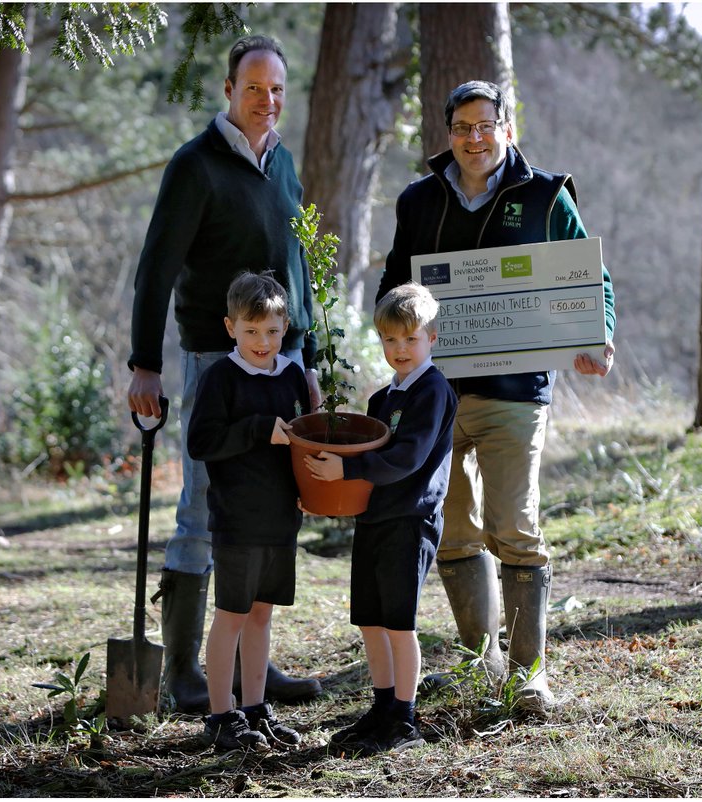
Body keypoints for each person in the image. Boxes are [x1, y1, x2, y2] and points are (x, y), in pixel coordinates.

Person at [375, 80, 616, 714]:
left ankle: (529, 672)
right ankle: (478, 661)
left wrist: (598, 336)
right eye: (461, 127)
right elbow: (393, 283)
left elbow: (593, 280)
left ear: (507, 128)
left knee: (515, 525)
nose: (473, 138)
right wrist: (391, 334)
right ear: (447, 133)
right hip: (437, 394)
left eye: (486, 125)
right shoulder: (419, 201)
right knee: (454, 530)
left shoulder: (544, 196)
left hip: (517, 391)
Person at [127, 34, 322, 713]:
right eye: (253, 88)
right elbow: (155, 267)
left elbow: (300, 269)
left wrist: (311, 358)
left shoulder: (283, 164)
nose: (266, 101)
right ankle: (182, 672)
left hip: (285, 362)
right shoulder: (196, 166)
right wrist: (145, 365)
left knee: (265, 512)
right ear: (228, 92)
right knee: (203, 513)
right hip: (218, 361)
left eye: (276, 90)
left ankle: (249, 671)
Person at [303, 282, 457, 754]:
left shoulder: (433, 391)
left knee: (398, 623)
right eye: (390, 340)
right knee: (370, 620)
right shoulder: (380, 400)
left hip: (410, 521)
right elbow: (366, 463)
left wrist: (346, 467)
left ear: (432, 337)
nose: (400, 349)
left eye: (411, 339)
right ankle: (383, 706)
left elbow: (408, 457)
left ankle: (405, 719)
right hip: (374, 519)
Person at [187, 271, 312, 751]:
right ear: (230, 327)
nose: (263, 341)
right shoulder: (220, 377)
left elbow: (299, 443)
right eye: (251, 330)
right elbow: (202, 443)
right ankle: (221, 716)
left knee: (262, 614)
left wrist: (307, 488)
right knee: (232, 614)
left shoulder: (293, 375)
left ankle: (255, 709)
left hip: (281, 517)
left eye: (273, 331)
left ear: (286, 328)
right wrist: (261, 429)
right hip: (237, 518)